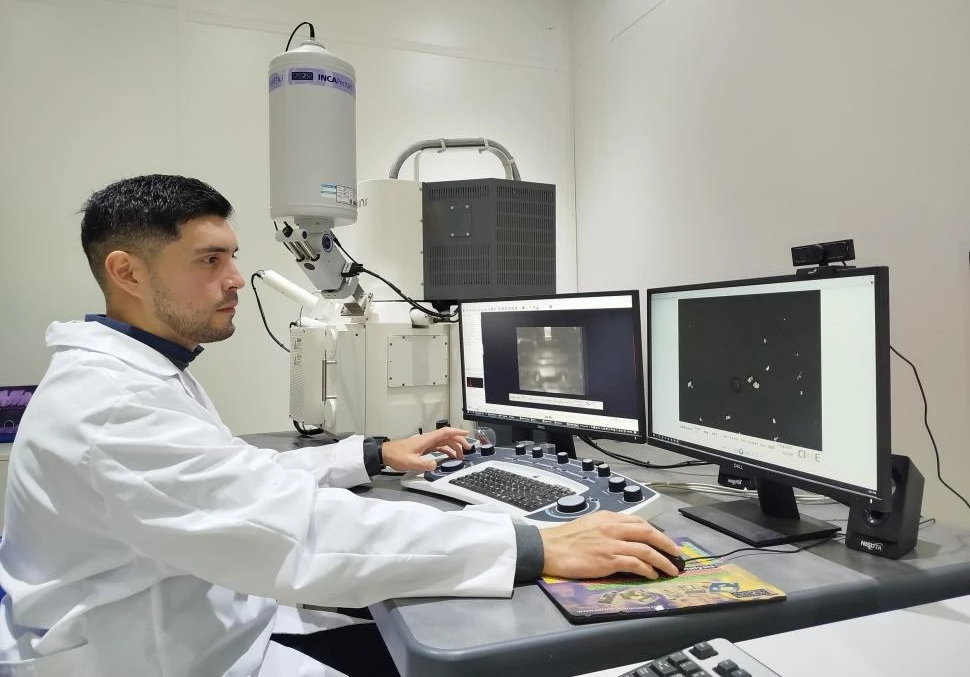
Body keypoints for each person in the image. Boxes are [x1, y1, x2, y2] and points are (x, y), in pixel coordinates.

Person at [0, 175, 681, 677]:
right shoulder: (110, 404)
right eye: (210, 259)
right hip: (156, 657)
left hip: (201, 624)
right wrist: (530, 545)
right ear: (127, 272)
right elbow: (294, 533)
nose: (237, 278)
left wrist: (373, 454)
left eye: (233, 255)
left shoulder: (143, 369)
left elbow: (233, 476)